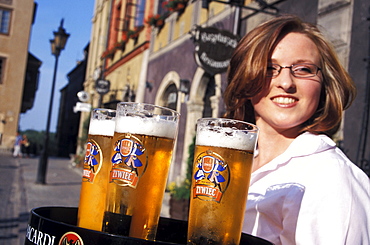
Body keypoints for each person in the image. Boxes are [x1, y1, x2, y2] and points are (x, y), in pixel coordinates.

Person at [224, 15, 370, 245]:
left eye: (303, 69)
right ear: (245, 78)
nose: (286, 82)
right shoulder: (239, 163)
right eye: (269, 68)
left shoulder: (329, 176)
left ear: (324, 85)